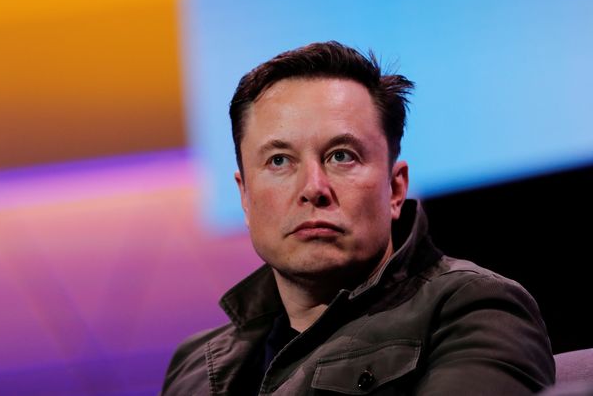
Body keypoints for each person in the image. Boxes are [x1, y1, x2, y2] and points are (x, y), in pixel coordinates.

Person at [161, 42, 555, 395]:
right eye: (279, 160)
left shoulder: (473, 310)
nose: (313, 187)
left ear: (395, 188)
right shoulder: (196, 364)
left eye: (341, 156)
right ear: (244, 195)